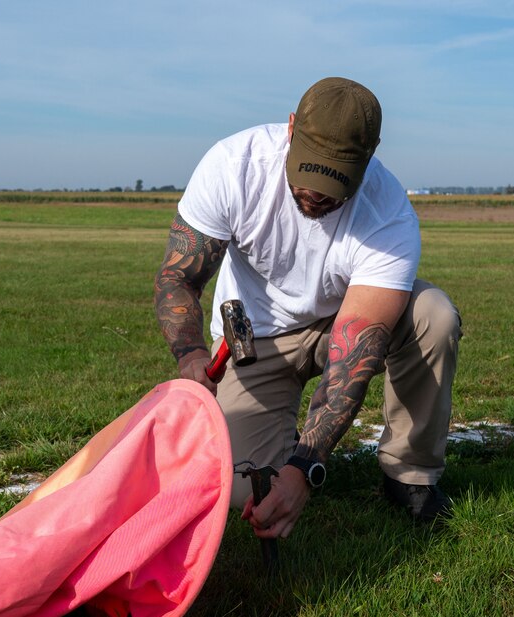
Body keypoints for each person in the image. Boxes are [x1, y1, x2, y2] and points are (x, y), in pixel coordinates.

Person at [154, 77, 461, 539]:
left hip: (341, 322)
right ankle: (276, 443)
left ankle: (409, 475)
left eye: (336, 180)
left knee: (432, 315)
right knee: (244, 492)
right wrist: (191, 352)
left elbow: (356, 349)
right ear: (292, 129)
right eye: (309, 170)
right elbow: (179, 277)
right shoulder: (233, 166)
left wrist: (306, 466)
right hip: (253, 340)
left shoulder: (389, 212)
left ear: (370, 156)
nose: (316, 194)